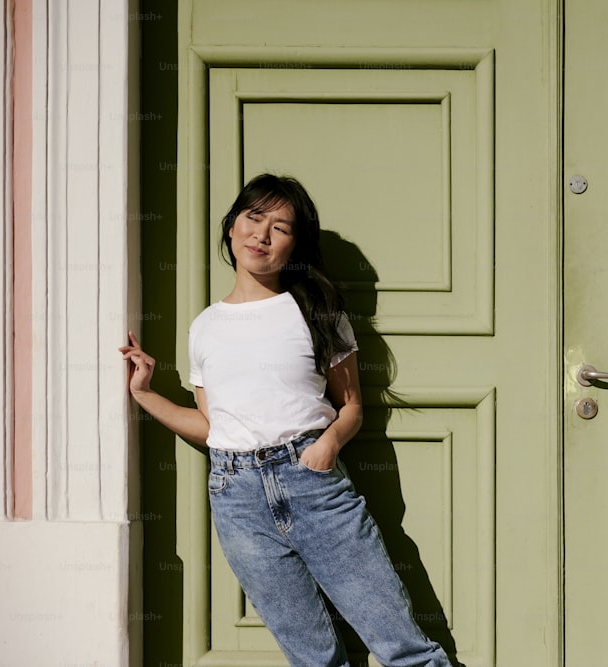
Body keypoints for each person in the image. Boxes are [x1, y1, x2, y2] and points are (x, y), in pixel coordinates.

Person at [119, 173, 453, 667]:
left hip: (313, 482)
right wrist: (144, 395)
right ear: (231, 227)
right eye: (254, 218)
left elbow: (352, 406)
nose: (262, 235)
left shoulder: (318, 311)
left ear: (294, 245)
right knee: (312, 658)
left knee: (403, 646)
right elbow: (215, 428)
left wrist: (327, 446)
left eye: (281, 227)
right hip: (236, 498)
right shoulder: (205, 327)